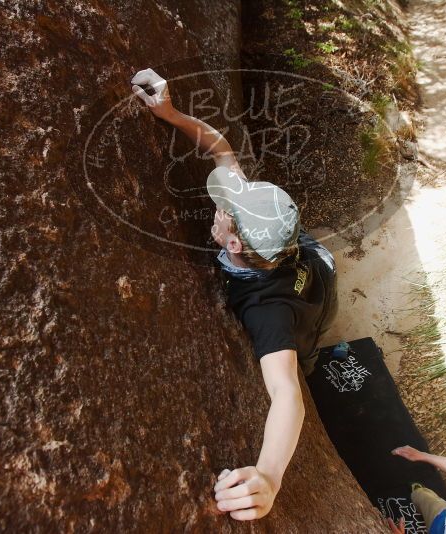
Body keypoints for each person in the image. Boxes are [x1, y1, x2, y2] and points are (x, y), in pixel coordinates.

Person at [131, 68, 338, 521]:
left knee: (306, 358)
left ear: (233, 243)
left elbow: (287, 393)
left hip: (304, 308)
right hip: (310, 263)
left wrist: (270, 475)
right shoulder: (267, 233)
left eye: (227, 210)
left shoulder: (266, 312)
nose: (222, 205)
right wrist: (170, 113)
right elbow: (222, 151)